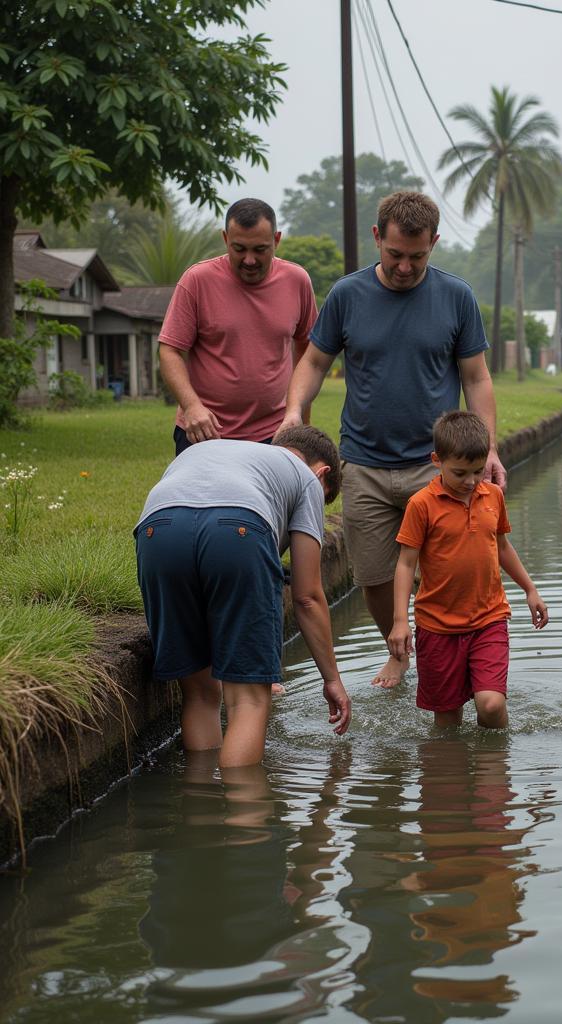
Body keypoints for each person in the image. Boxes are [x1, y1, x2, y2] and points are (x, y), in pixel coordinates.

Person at [280, 190, 505, 689]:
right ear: (378, 238)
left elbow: (477, 377)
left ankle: (448, 653)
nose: (405, 267)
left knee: (450, 569)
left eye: (418, 257)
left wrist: (487, 448)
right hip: (363, 460)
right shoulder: (347, 295)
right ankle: (399, 651)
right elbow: (315, 361)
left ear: (434, 244)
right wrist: (294, 410)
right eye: (396, 255)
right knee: (375, 576)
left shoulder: (456, 296)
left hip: (437, 465)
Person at [135, 425, 352, 767]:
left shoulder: (215, 452)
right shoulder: (308, 480)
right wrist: (332, 680)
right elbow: (307, 596)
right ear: (322, 472)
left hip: (157, 532)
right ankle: (243, 814)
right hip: (237, 529)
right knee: (248, 700)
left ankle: (201, 799)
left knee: (201, 695)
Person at [387, 411, 547, 729]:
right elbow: (406, 564)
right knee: (447, 721)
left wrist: (530, 589)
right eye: (460, 473)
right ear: (437, 460)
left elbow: (501, 546)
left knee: (490, 703)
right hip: (437, 627)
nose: (471, 481)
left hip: (489, 619)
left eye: (477, 471)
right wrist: (399, 621)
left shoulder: (493, 496)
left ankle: (495, 766)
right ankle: (451, 773)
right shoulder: (422, 505)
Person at [159, 198, 317, 457]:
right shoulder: (197, 280)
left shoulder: (297, 280)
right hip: (205, 430)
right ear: (225, 238)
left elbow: (308, 351)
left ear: (276, 240)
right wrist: (191, 407)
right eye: (239, 249)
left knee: (272, 499)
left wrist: (297, 414)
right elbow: (169, 351)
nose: (250, 260)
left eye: (260, 249)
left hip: (275, 432)